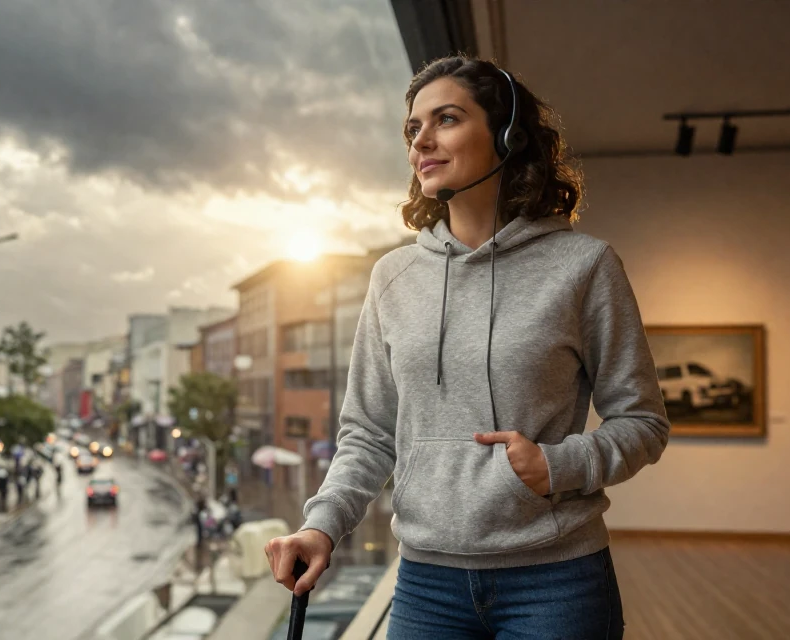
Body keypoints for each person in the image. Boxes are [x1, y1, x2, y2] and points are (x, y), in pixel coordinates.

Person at [264, 56, 671, 639]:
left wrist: (559, 465)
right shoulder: (393, 278)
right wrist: (321, 526)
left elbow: (643, 421)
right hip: (426, 586)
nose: (421, 141)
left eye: (446, 119)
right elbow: (369, 433)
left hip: (555, 582)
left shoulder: (584, 267)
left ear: (507, 136)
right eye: (412, 129)